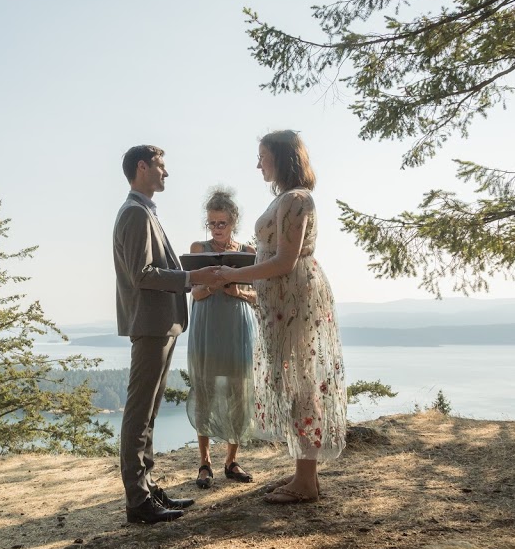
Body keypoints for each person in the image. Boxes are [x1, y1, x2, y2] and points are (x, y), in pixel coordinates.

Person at [215, 131, 347, 504]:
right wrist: (248, 290)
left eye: (263, 156)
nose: (258, 164)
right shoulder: (289, 199)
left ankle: (306, 482)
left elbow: (286, 261)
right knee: (294, 383)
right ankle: (303, 476)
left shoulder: (297, 199)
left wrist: (230, 274)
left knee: (301, 385)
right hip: (281, 301)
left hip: (294, 300)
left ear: (282, 158)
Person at [113, 144, 223, 524]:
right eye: (161, 166)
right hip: (150, 324)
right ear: (142, 167)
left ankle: (147, 488)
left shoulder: (144, 212)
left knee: (149, 414)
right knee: (139, 412)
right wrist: (194, 278)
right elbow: (142, 276)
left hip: (161, 324)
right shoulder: (134, 214)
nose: (166, 173)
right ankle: (138, 501)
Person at [185, 187, 258, 489]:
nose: (216, 229)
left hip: (237, 327)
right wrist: (215, 284)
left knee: (238, 393)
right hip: (207, 325)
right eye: (212, 223)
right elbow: (194, 291)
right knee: (204, 391)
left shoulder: (248, 253)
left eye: (222, 223)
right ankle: (204, 462)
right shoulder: (198, 249)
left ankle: (232, 460)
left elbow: (258, 295)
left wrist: (238, 290)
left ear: (233, 222)